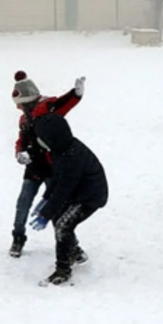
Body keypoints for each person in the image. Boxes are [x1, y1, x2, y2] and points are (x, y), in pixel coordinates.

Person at [9, 71, 85, 258]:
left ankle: (72, 246)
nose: (18, 108)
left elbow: (64, 102)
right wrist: (19, 152)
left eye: (20, 104)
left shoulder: (48, 108)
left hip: (53, 168)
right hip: (33, 168)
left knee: (56, 208)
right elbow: (22, 139)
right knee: (23, 204)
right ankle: (18, 237)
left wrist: (75, 94)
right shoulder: (24, 119)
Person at [28, 113, 108, 286]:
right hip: (77, 192)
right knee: (59, 219)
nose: (39, 141)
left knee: (63, 225)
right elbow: (57, 178)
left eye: (41, 138)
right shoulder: (61, 150)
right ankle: (75, 252)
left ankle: (63, 270)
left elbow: (64, 188)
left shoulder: (72, 156)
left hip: (90, 197)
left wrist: (46, 213)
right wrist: (46, 199)